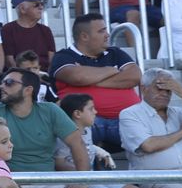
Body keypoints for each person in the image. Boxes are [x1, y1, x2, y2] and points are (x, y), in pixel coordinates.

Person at [49, 13, 141, 148]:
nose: (107, 35)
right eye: (101, 31)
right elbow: (78, 77)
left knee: (148, 137)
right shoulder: (63, 56)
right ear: (84, 36)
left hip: (125, 121)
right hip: (86, 123)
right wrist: (111, 70)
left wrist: (91, 80)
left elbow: (135, 76)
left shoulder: (115, 52)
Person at [0, 0, 54, 70]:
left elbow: (51, 59)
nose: (41, 7)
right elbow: (9, 61)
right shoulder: (8, 30)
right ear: (22, 9)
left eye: (42, 4)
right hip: (20, 75)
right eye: (36, 5)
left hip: (44, 75)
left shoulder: (45, 30)